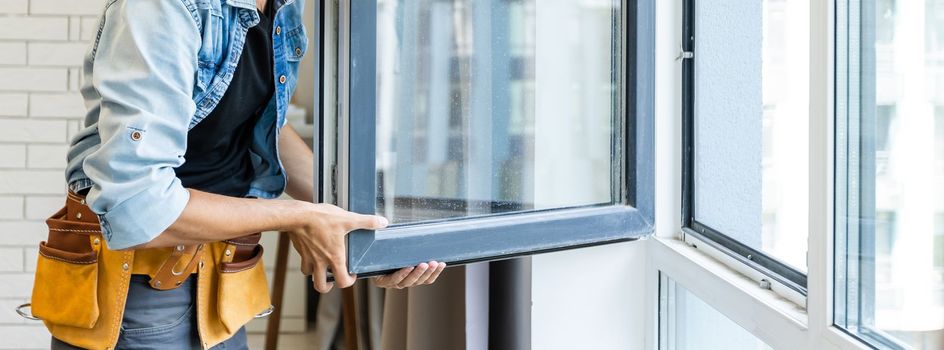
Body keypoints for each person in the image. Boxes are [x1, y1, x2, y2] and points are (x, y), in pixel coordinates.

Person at [32, 0, 445, 348]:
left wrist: (368, 229)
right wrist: (302, 216)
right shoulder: (162, 8)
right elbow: (138, 207)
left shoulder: (281, 7)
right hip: (139, 294)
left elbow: (265, 122)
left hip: (225, 283)